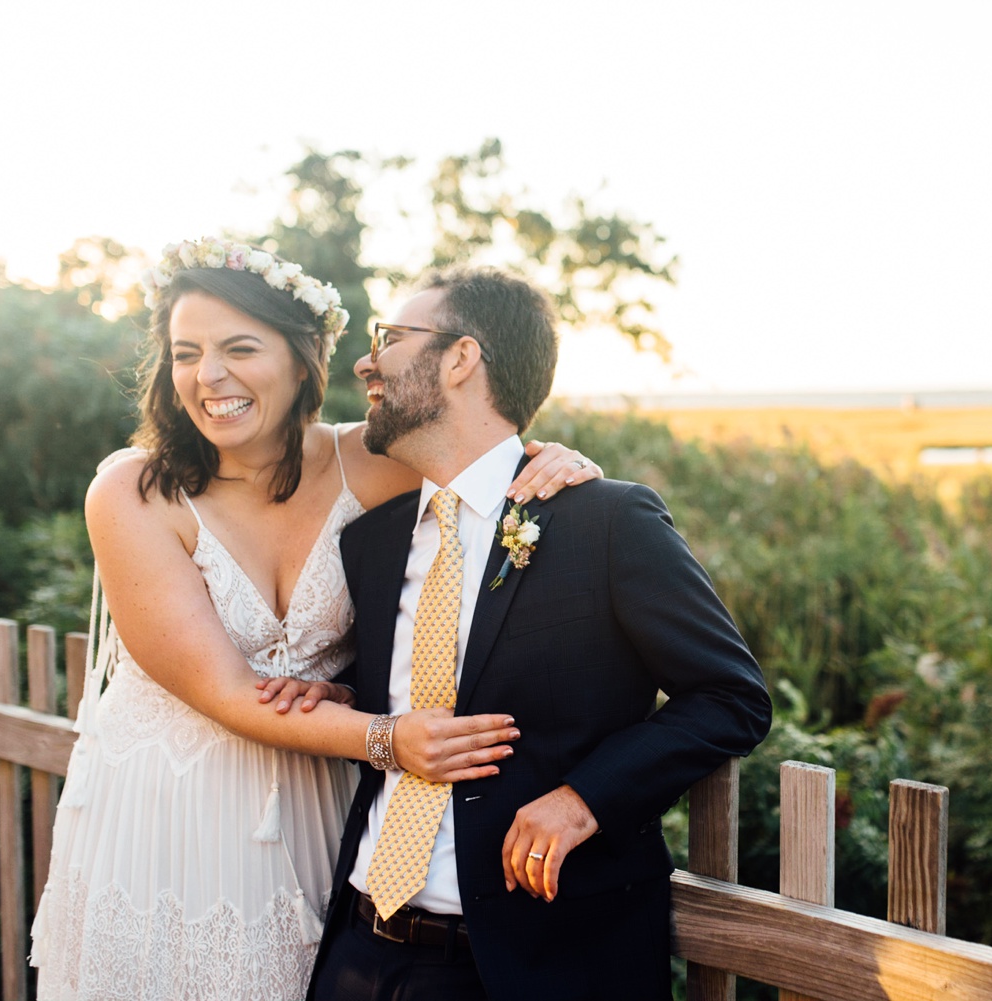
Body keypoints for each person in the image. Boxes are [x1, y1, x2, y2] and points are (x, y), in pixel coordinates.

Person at [29, 238, 602, 1001]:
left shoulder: (373, 461)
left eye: (239, 348)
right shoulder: (133, 491)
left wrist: (555, 458)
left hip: (313, 808)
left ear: (304, 360)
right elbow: (227, 692)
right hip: (169, 810)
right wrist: (389, 739)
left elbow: (479, 448)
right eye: (186, 352)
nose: (210, 376)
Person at [305, 266, 772, 1001]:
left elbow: (731, 697)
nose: (367, 359)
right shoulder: (371, 542)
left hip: (535, 966)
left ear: (461, 358)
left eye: (390, 338)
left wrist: (586, 796)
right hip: (361, 952)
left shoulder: (607, 521)